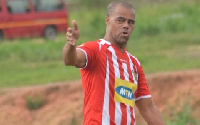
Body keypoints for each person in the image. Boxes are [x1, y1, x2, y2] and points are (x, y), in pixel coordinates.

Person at [63, 1, 165, 125]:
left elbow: (148, 108)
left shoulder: (134, 63)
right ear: (108, 20)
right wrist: (71, 46)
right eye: (120, 20)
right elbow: (70, 60)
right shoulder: (96, 49)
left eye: (130, 22)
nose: (126, 25)